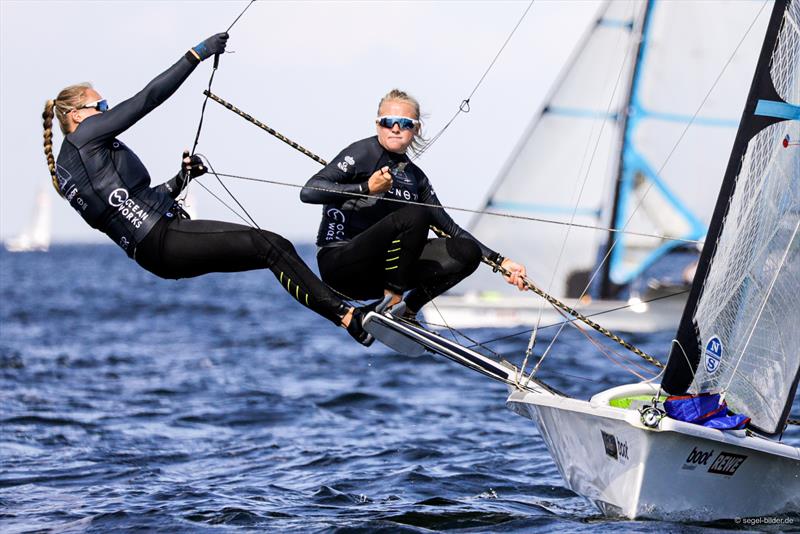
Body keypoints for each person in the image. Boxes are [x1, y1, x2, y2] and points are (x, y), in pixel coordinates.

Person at [42, 33, 372, 345]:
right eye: (100, 107)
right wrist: (196, 54)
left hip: (156, 249)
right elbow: (147, 99)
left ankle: (346, 313)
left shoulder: (69, 167)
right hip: (164, 238)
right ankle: (347, 316)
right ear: (74, 114)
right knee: (271, 245)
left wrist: (182, 179)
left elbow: (128, 206)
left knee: (272, 248)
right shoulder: (84, 138)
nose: (107, 113)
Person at [300, 89, 528, 325]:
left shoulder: (416, 178)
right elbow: (309, 191)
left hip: (378, 272)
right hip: (340, 265)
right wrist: (366, 187)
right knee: (416, 215)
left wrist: (501, 262)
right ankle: (391, 302)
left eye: (404, 123)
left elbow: (451, 228)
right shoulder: (362, 153)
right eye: (388, 122)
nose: (395, 128)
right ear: (378, 125)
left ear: (416, 129)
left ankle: (407, 310)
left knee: (466, 251)